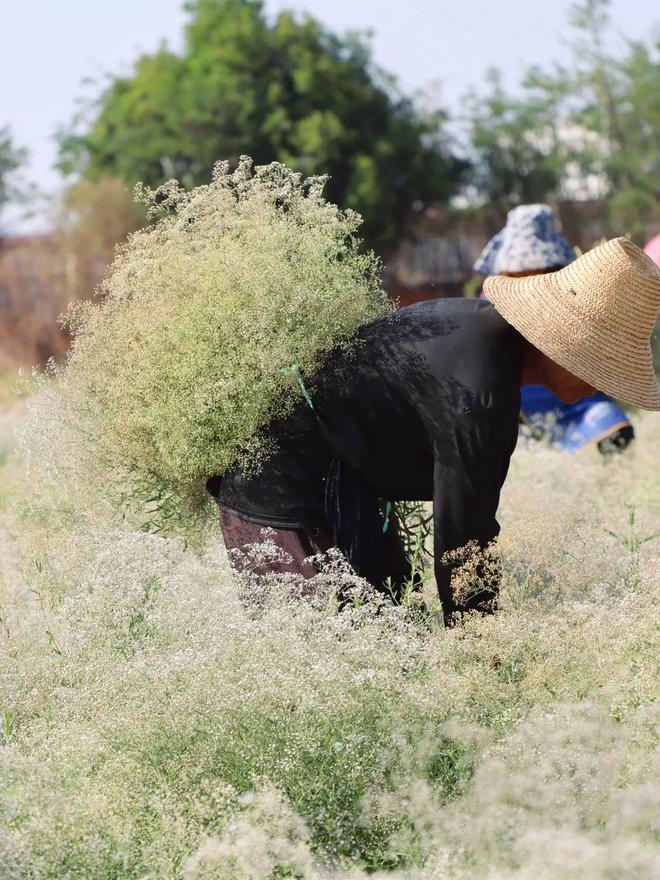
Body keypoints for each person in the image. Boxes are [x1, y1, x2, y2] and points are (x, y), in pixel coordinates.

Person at [208, 237, 660, 624]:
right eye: (601, 364)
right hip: (280, 493)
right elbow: (463, 541)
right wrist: (482, 659)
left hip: (345, 493)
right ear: (565, 346)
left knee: (388, 654)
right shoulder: (480, 394)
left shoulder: (476, 329)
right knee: (325, 657)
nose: (603, 385)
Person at [475, 205, 634, 454]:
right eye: (522, 268)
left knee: (612, 424)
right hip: (523, 397)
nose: (530, 271)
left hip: (576, 390)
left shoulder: (572, 291)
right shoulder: (491, 300)